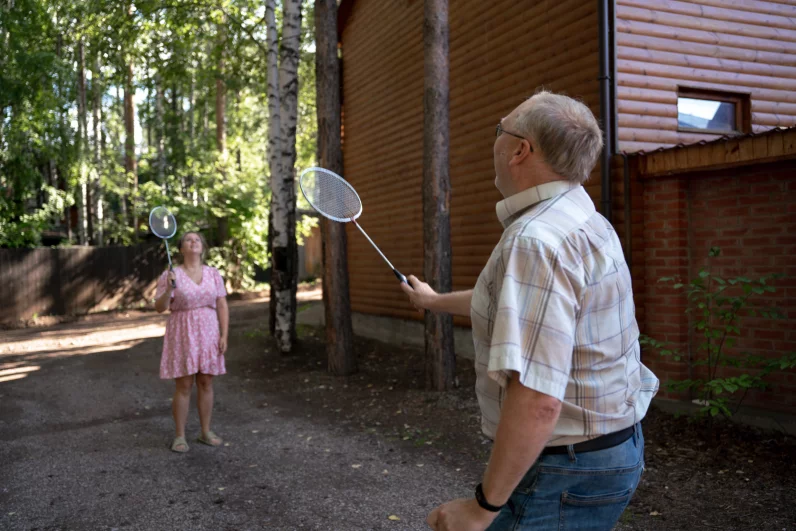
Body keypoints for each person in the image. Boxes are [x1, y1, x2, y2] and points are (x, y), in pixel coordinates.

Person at [401, 90, 659, 531]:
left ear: (521, 149)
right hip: (612, 450)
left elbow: (539, 399)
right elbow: (520, 309)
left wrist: (482, 508)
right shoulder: (581, 217)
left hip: (568, 468)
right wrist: (432, 301)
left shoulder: (536, 240)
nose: (495, 141)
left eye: (500, 129)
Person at [154, 231, 229, 453]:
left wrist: (224, 335)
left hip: (209, 330)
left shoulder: (213, 274)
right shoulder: (171, 274)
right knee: (184, 384)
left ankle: (205, 432)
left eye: (197, 239)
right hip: (182, 331)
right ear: (181, 249)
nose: (193, 241)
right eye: (188, 239)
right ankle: (180, 436)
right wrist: (169, 288)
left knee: (206, 382)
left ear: (202, 247)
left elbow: (222, 305)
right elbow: (160, 307)